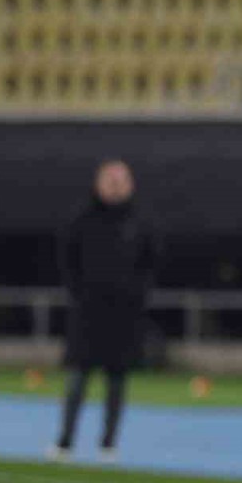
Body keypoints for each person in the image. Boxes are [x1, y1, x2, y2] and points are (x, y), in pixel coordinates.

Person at [48, 160, 156, 463]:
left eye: (121, 180)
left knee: (117, 382)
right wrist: (80, 294)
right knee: (77, 379)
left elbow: (151, 263)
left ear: (130, 184)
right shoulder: (82, 221)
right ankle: (65, 442)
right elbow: (67, 260)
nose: (116, 185)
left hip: (124, 316)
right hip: (87, 314)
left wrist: (136, 295)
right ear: (98, 183)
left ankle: (108, 445)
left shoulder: (140, 223)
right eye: (110, 179)